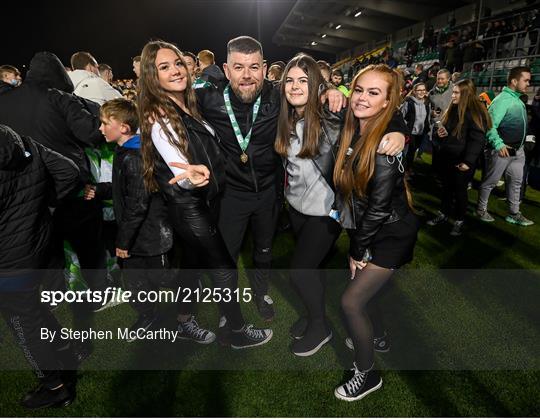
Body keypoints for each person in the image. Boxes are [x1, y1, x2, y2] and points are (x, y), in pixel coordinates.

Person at [138, 40, 273, 348]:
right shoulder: (159, 115)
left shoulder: (190, 102)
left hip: (206, 202)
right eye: (164, 67)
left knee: (191, 267)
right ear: (151, 75)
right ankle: (237, 331)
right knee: (224, 269)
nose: (174, 70)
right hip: (190, 207)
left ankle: (183, 320)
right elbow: (180, 171)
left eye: (176, 63)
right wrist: (192, 178)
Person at [275, 54, 408, 357]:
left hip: (327, 212)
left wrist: (399, 132)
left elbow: (379, 110)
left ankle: (320, 326)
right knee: (313, 269)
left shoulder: (334, 114)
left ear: (318, 86)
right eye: (290, 80)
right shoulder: (283, 115)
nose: (295, 86)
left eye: (304, 81)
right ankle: (313, 317)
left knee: (300, 272)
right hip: (295, 208)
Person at [332, 64, 419, 401]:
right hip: (374, 229)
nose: (362, 98)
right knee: (365, 294)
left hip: (390, 233)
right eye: (359, 90)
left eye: (373, 93)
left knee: (350, 302)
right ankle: (378, 335)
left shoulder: (384, 147)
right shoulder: (357, 128)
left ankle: (366, 374)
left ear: (387, 102)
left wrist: (357, 251)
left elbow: (379, 209)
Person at [0, 124, 80, 409]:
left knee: (23, 322)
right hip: (37, 244)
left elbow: (68, 172)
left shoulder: (19, 139)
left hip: (10, 258)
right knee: (31, 308)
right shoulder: (17, 138)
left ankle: (54, 386)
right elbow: (68, 172)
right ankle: (63, 349)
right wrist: (44, 209)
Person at [427, 79, 491, 235]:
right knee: (447, 189)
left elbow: (477, 140)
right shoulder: (453, 109)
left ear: (466, 94)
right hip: (448, 158)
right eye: (453, 92)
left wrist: (468, 161)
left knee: (460, 191)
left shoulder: (476, 113)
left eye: (456, 92)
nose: (452, 95)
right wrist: (440, 133)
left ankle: (460, 220)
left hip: (462, 162)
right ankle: (444, 213)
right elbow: (446, 132)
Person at [477, 66, 534, 226]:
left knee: (516, 182)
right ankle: (481, 210)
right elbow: (490, 125)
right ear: (514, 81)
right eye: (526, 80)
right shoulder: (502, 100)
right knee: (490, 182)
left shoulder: (518, 99)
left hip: (518, 151)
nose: (528, 84)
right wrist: (498, 144)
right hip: (502, 150)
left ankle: (514, 213)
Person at [400, 82, 430, 172]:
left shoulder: (427, 103)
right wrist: (406, 128)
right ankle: (403, 170)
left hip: (420, 133)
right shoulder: (408, 102)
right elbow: (401, 116)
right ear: (414, 91)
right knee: (407, 152)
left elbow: (427, 118)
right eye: (419, 90)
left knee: (413, 152)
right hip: (410, 133)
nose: (421, 92)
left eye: (423, 90)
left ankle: (407, 169)